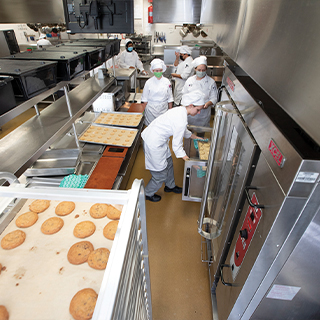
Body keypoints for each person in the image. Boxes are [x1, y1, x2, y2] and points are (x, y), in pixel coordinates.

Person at [141, 90, 206, 202]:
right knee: (159, 175)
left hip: (159, 140)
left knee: (169, 163)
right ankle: (147, 193)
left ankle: (170, 186)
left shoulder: (180, 110)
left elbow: (182, 130)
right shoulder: (181, 118)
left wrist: (196, 138)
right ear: (191, 106)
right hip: (153, 143)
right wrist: (191, 163)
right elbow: (177, 147)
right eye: (198, 109)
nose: (199, 112)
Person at [182, 55, 218, 127]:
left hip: (203, 114)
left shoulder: (211, 82)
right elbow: (184, 95)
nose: (201, 72)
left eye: (203, 70)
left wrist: (207, 104)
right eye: (199, 70)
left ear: (206, 69)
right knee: (188, 134)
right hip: (190, 113)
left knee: (201, 133)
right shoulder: (190, 80)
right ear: (195, 69)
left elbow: (214, 98)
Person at [141, 58, 173, 126]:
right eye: (156, 70)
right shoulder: (148, 82)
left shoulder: (167, 82)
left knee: (162, 127)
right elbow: (144, 99)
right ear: (153, 71)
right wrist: (142, 113)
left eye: (160, 70)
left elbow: (170, 99)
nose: (159, 72)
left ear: (162, 70)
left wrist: (170, 112)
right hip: (151, 110)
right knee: (151, 128)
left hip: (163, 109)